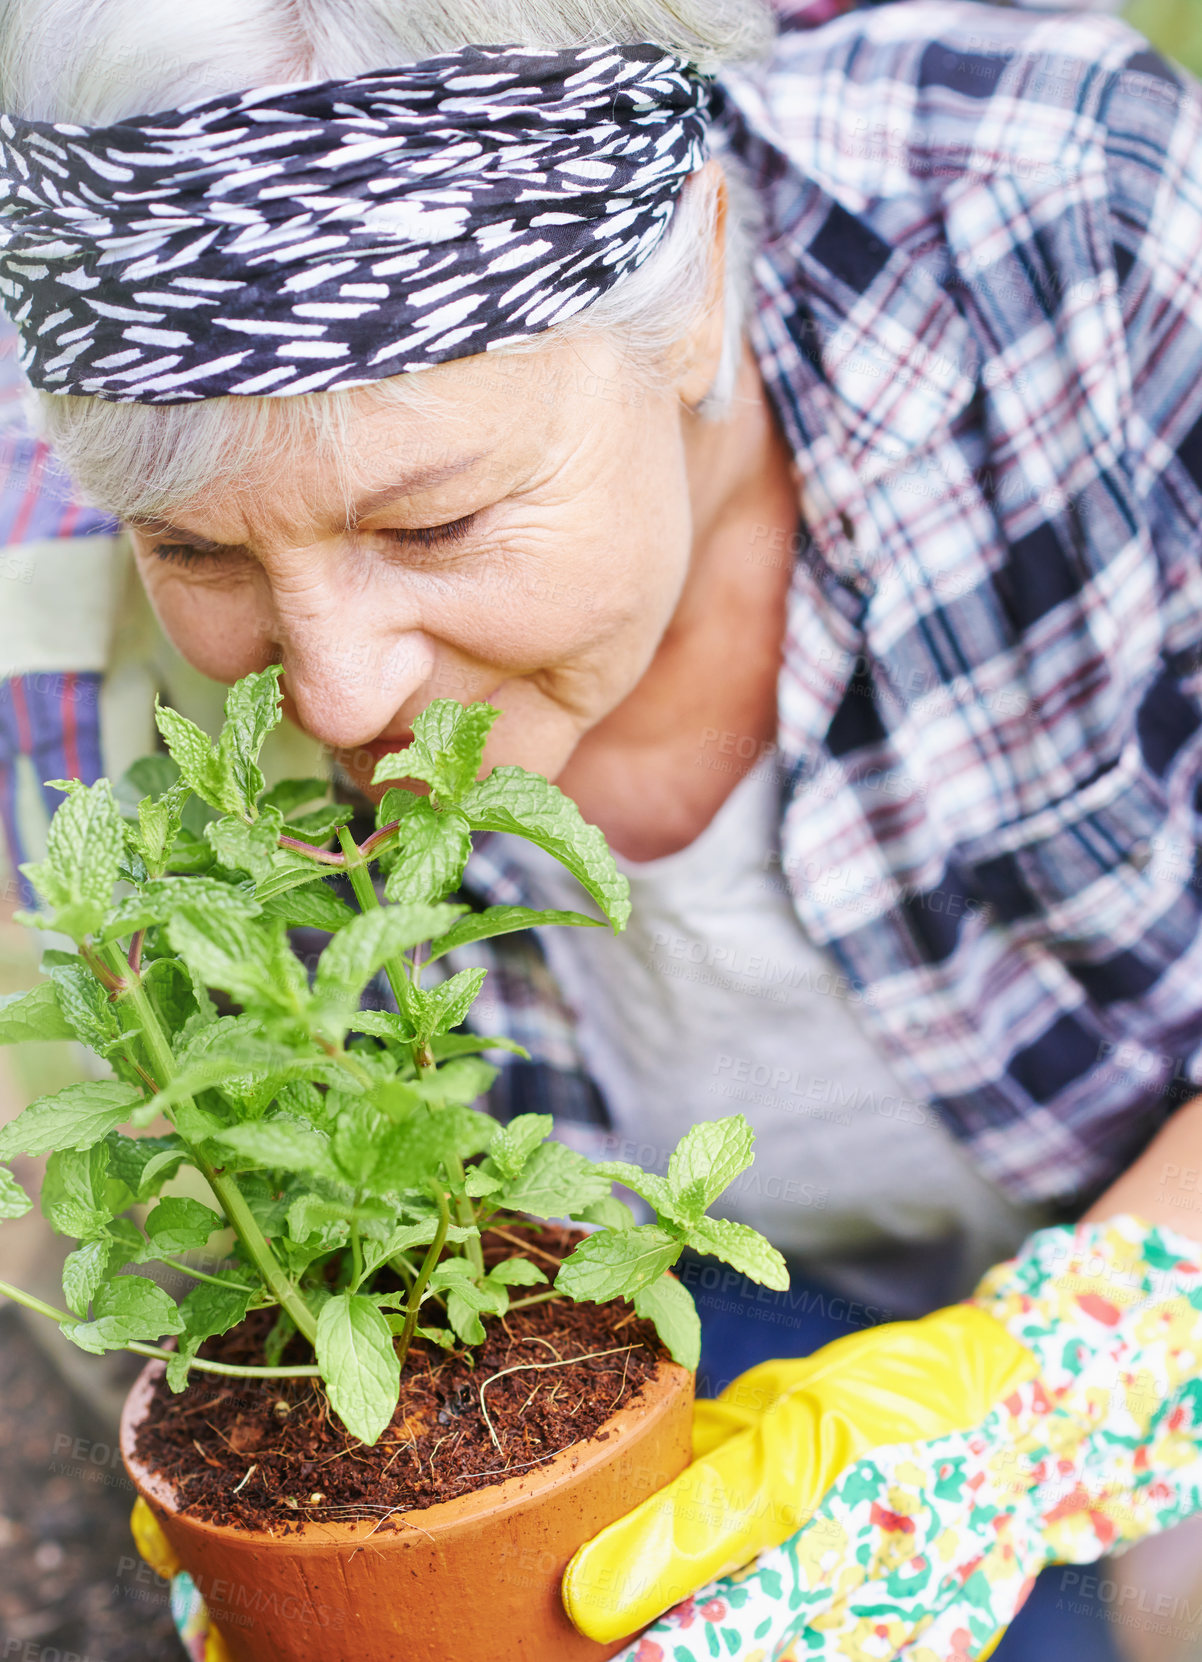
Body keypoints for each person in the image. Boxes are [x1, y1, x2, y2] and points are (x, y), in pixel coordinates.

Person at [2, 0, 1202, 1656]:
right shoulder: (59, 612)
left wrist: (1065, 1387)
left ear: (699, 280)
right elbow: (243, 1238)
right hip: (651, 1332)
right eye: (199, 554)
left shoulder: (1071, 226)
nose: (339, 695)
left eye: (430, 519)